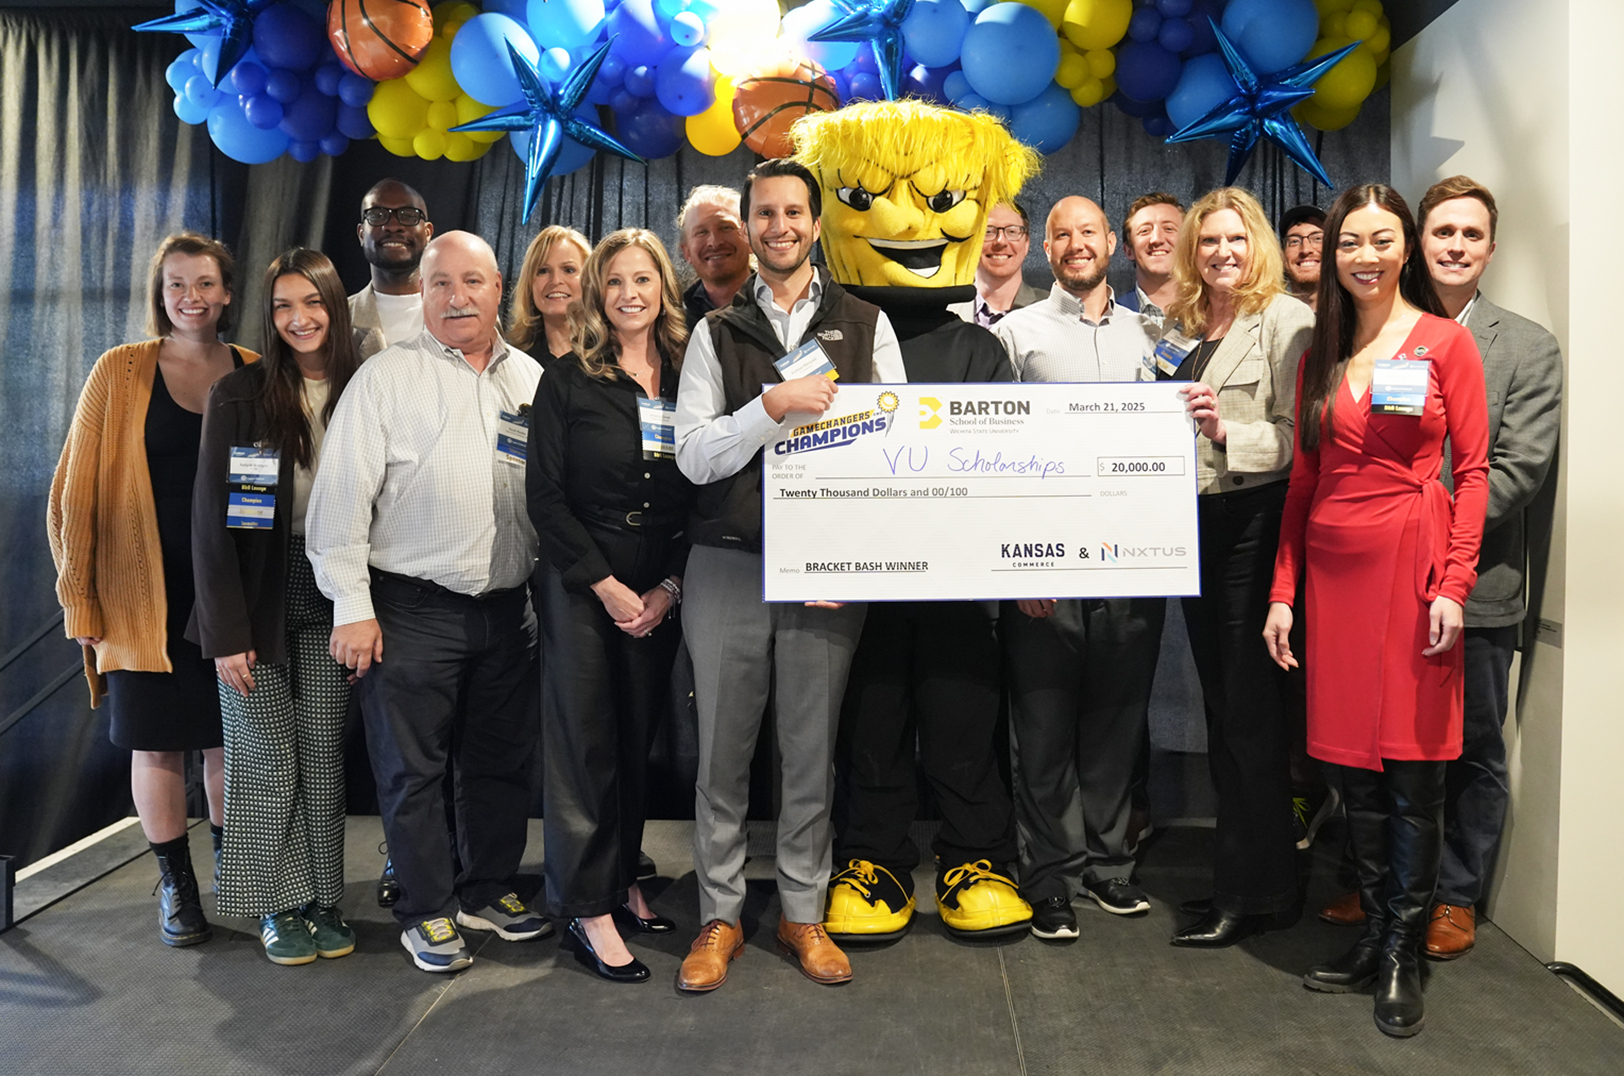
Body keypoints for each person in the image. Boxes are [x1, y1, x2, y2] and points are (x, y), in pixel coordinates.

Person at [792, 99, 1039, 941]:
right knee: (872, 716)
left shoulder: (979, 348)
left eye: (936, 201)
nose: (903, 222)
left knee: (963, 709)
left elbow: (1013, 466)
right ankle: (874, 856)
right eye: (866, 199)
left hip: (958, 577)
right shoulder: (823, 340)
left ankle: (978, 854)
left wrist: (1023, 562)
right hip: (858, 579)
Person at [1313, 178, 1563, 960]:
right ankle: (1385, 893)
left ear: (1491, 248)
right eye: (1442, 231)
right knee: (1370, 744)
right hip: (1369, 579)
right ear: (1418, 242)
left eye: (1471, 234)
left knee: (1467, 746)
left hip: (1471, 584)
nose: (1455, 246)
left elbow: (1512, 470)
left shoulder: (1523, 346)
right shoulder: (1355, 334)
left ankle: (1453, 896)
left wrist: (1423, 530)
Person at [672, 158, 906, 992]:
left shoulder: (867, 324)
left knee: (810, 752)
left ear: (815, 223)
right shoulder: (716, 332)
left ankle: (803, 912)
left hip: (827, 571)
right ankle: (721, 916)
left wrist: (854, 554)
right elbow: (692, 456)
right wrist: (768, 407)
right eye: (764, 214)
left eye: (793, 212)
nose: (779, 227)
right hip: (728, 564)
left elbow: (896, 449)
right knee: (721, 756)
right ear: (748, 227)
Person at [1265, 184, 1489, 1038]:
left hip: (1412, 570)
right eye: (1350, 241)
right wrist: (1283, 593)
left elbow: (1474, 472)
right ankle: (1371, 933)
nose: (1366, 255)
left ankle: (1402, 950)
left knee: (1413, 774)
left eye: (1382, 239)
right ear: (1333, 254)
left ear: (1406, 248)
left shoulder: (1443, 343)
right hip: (1334, 579)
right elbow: (1304, 482)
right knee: (1351, 773)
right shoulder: (1319, 356)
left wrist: (1455, 585)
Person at [307, 231, 548, 974]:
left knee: (500, 765)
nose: (456, 297)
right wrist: (351, 605)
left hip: (509, 611)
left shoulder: (531, 379)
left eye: (472, 282)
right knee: (413, 772)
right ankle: (426, 910)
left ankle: (488, 889)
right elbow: (338, 502)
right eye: (440, 283)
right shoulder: (384, 379)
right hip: (410, 611)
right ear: (424, 292)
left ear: (498, 288)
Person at [48, 232, 250, 947]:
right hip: (138, 597)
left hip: (228, 597)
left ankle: (235, 868)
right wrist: (80, 597)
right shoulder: (120, 370)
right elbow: (73, 493)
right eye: (176, 285)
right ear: (160, 295)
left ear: (227, 293)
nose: (191, 297)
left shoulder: (254, 370)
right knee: (156, 745)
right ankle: (176, 886)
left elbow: (272, 487)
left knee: (230, 743)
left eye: (205, 283)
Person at [528, 229, 696, 983]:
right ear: (598, 293)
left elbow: (708, 490)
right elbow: (545, 498)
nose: (630, 293)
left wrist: (669, 586)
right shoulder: (568, 380)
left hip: (661, 580)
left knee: (636, 743)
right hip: (583, 583)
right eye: (616, 281)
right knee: (585, 748)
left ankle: (623, 879)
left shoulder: (691, 374)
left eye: (644, 279)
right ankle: (585, 909)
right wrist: (606, 584)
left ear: (664, 288)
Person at [190, 249, 366, 965]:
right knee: (265, 757)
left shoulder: (367, 384)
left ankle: (324, 897)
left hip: (338, 588)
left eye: (312, 302)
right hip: (254, 594)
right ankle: (277, 904)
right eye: (283, 306)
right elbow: (211, 524)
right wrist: (225, 633)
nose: (299, 319)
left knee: (322, 755)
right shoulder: (238, 394)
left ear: (335, 305)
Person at [994, 196, 1163, 940]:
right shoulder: (1015, 334)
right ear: (1047, 249)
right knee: (1042, 726)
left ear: (1111, 243)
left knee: (1117, 721)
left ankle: (1109, 865)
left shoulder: (1153, 334)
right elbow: (996, 455)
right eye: (1061, 234)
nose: (1075, 244)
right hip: (1045, 565)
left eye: (1087, 231)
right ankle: (1051, 878)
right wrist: (1022, 566)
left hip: (1134, 561)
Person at [1151, 189, 1315, 948]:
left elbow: (1300, 439)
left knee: (1251, 714)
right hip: (1194, 529)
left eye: (1236, 239)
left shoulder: (1287, 320)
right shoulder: (1181, 324)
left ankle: (1257, 893)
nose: (1222, 253)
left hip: (1254, 523)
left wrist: (1226, 432)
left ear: (1258, 247)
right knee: (1222, 707)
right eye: (1209, 240)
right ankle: (1243, 881)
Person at [350, 179, 433, 348]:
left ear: (427, 233)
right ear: (361, 234)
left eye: (408, 215)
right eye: (377, 215)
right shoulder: (336, 320)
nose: (393, 226)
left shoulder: (461, 313)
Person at [946, 203, 1047, 327]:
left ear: (1027, 244)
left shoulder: (1052, 311)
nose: (1000, 241)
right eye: (988, 231)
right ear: (970, 242)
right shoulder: (944, 311)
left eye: (1012, 231)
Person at [508, 225, 592, 366]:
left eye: (569, 270)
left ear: (589, 281)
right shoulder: (515, 363)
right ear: (529, 284)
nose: (555, 280)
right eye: (543, 271)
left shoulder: (613, 356)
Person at [676, 185, 752, 329]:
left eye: (726, 227)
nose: (715, 243)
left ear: (750, 238)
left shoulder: (781, 303)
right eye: (701, 232)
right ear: (686, 251)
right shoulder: (675, 323)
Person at [1117, 192, 1184, 324]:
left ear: (1188, 243)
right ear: (1129, 250)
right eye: (1144, 231)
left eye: (1169, 229)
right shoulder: (1111, 319)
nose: (1156, 239)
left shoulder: (1213, 314)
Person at [1280, 205, 1326, 312]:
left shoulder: (1355, 316)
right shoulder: (1267, 316)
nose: (1305, 250)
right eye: (1294, 241)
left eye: (1317, 239)